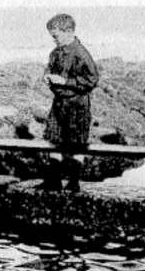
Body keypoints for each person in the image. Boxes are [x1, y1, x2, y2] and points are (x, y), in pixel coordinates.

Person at [40, 13, 100, 192]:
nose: (53, 39)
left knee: (77, 143)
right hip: (59, 104)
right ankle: (54, 180)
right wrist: (47, 76)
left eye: (56, 36)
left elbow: (92, 80)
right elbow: (50, 67)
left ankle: (74, 182)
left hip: (77, 105)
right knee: (53, 139)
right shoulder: (55, 52)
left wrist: (65, 82)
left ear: (69, 32)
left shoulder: (81, 53)